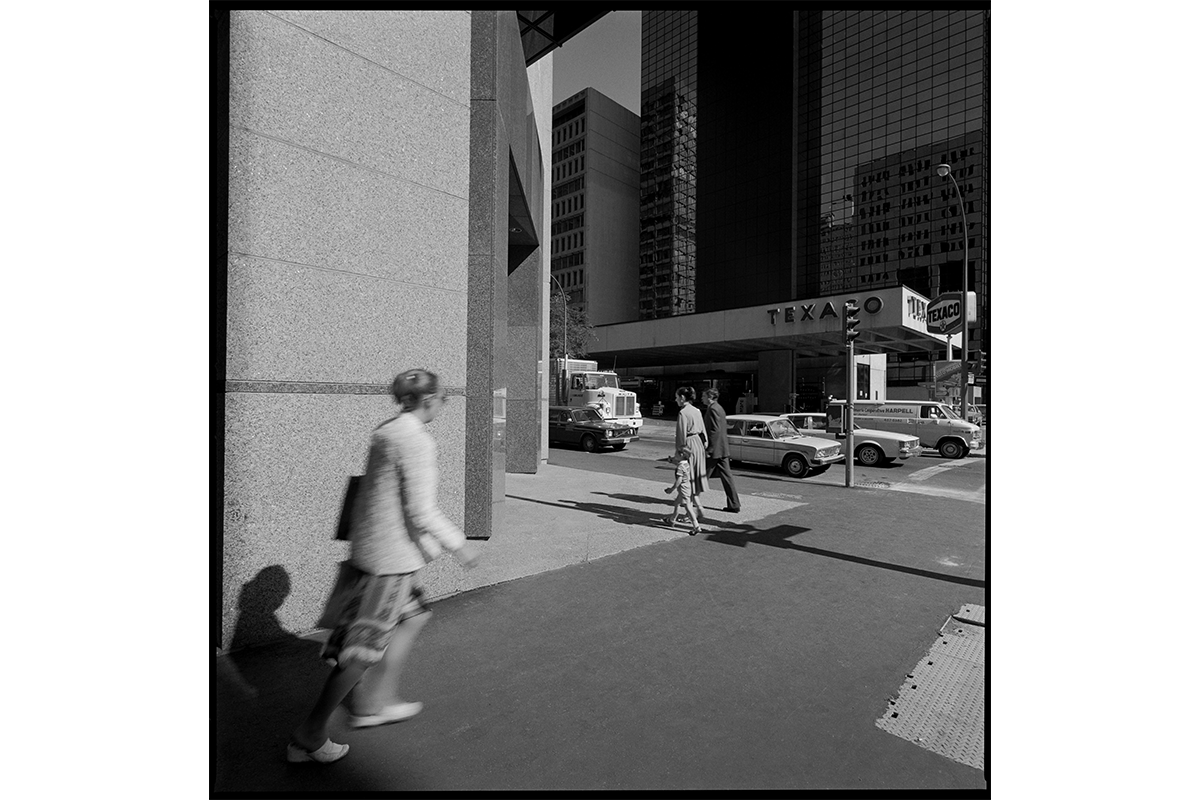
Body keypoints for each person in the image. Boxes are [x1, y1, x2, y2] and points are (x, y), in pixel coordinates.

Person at [288, 369, 481, 764]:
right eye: (443, 398)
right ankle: (310, 734)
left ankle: (375, 701)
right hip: (390, 564)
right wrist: (460, 546)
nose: (445, 404)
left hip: (374, 552)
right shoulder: (417, 441)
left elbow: (370, 492)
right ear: (428, 400)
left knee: (414, 617)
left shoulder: (386, 431)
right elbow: (421, 510)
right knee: (360, 653)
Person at [701, 388, 741, 513]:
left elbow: (715, 430)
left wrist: (710, 448)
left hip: (715, 450)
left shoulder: (712, 409)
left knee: (701, 476)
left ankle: (690, 500)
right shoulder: (719, 408)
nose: (701, 398)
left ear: (710, 397)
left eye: (703, 396)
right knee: (727, 477)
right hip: (722, 449)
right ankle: (734, 504)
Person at [673, 386, 708, 516]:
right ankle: (696, 507)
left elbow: (681, 435)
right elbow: (703, 430)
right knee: (696, 477)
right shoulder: (696, 410)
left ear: (682, 398)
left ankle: (693, 511)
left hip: (689, 444)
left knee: (687, 478)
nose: (675, 400)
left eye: (677, 397)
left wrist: (679, 453)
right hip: (698, 443)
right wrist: (704, 444)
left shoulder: (683, 413)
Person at [663, 445, 704, 534]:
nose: (674, 455)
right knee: (677, 503)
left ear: (681, 455)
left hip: (683, 489)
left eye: (676, 454)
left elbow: (679, 480)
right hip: (687, 487)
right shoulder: (686, 463)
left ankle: (696, 526)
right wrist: (671, 461)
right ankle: (672, 519)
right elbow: (678, 463)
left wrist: (671, 489)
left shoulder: (680, 467)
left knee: (688, 508)